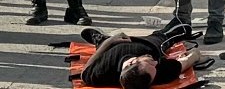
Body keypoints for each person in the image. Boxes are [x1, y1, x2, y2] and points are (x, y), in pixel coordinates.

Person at [78, 23, 207, 89]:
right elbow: (190, 58)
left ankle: (101, 39)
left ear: (132, 63)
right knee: (166, 36)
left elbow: (84, 73)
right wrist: (194, 55)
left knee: (101, 43)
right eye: (153, 65)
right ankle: (168, 34)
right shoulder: (158, 73)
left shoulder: (100, 72)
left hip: (112, 47)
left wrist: (110, 41)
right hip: (148, 44)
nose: (155, 63)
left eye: (150, 63)